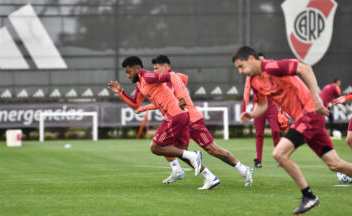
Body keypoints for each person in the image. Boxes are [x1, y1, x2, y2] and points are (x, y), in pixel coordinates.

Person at [232, 46, 352, 215]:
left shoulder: (272, 67)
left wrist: (316, 98)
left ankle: (308, 196)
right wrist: (251, 114)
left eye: (241, 66)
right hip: (307, 118)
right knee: (335, 165)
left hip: (309, 112)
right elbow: (262, 105)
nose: (240, 71)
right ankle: (309, 197)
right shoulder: (254, 81)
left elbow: (305, 68)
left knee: (279, 153)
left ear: (251, 59)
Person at [136, 55, 253, 188]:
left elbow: (172, 93)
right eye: (154, 69)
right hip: (181, 119)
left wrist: (144, 108)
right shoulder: (167, 80)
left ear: (166, 67)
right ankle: (202, 176)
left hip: (192, 119)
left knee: (211, 149)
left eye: (157, 69)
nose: (155, 72)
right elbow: (184, 79)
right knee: (173, 149)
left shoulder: (168, 80)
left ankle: (243, 169)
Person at [107, 56, 213, 189]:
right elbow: (135, 105)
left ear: (137, 69)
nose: (128, 76)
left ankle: (193, 156)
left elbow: (172, 76)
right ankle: (210, 177)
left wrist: (180, 97)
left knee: (156, 147)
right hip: (180, 115)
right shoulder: (140, 83)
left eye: (129, 72)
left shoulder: (148, 76)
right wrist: (120, 92)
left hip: (175, 115)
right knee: (178, 152)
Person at [242, 52, 281, 168]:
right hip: (258, 106)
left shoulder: (270, 71)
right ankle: (258, 160)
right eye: (259, 60)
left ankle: (280, 158)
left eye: (263, 60)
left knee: (276, 131)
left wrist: (283, 109)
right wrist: (244, 109)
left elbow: (280, 89)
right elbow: (246, 90)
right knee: (259, 133)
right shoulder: (251, 74)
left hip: (271, 105)